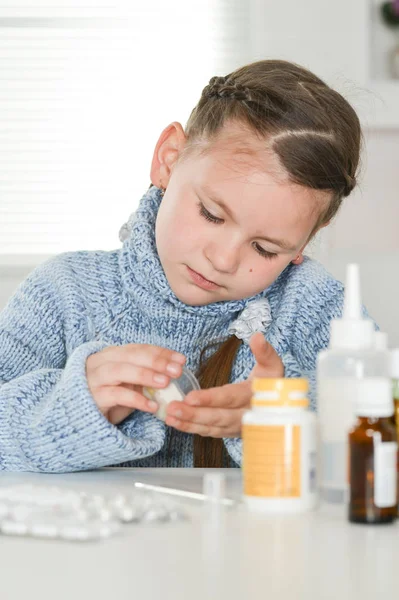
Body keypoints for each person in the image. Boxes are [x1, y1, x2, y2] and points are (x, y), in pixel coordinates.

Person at [0, 59, 365, 472]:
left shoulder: (319, 309)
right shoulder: (63, 293)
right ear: (169, 159)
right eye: (211, 214)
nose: (223, 260)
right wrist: (73, 408)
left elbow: (374, 458)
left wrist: (288, 418)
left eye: (265, 248)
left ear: (307, 238)